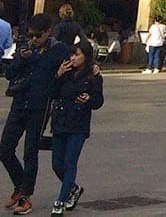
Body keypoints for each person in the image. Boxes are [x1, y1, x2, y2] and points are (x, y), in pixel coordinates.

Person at [0, 13, 70, 215]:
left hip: (40, 106)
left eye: (37, 35)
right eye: (30, 35)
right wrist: (21, 58)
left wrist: (59, 76)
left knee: (30, 152)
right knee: (5, 150)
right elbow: (9, 74)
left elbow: (71, 71)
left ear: (48, 32)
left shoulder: (59, 51)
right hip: (20, 103)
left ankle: (26, 196)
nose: (33, 39)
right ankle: (19, 185)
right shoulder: (26, 48)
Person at [49, 41, 104, 215]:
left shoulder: (93, 75)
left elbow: (98, 101)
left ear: (86, 57)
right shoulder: (65, 72)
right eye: (71, 54)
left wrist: (88, 99)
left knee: (70, 162)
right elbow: (52, 93)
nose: (72, 58)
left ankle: (61, 201)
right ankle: (74, 189)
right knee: (57, 164)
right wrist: (57, 75)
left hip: (78, 124)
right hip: (60, 121)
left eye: (77, 55)